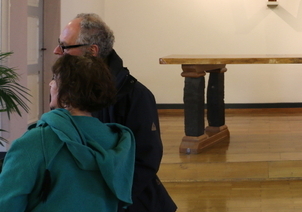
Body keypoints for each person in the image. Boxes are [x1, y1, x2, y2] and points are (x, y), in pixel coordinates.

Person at [54, 13, 177, 212]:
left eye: (65, 46)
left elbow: (146, 160)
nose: (56, 51)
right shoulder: (65, 90)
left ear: (92, 51)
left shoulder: (136, 95)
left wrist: (112, 202)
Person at [0, 54, 135, 212]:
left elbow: (7, 204)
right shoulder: (118, 141)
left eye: (55, 79)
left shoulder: (35, 142)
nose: (50, 84)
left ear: (67, 93)